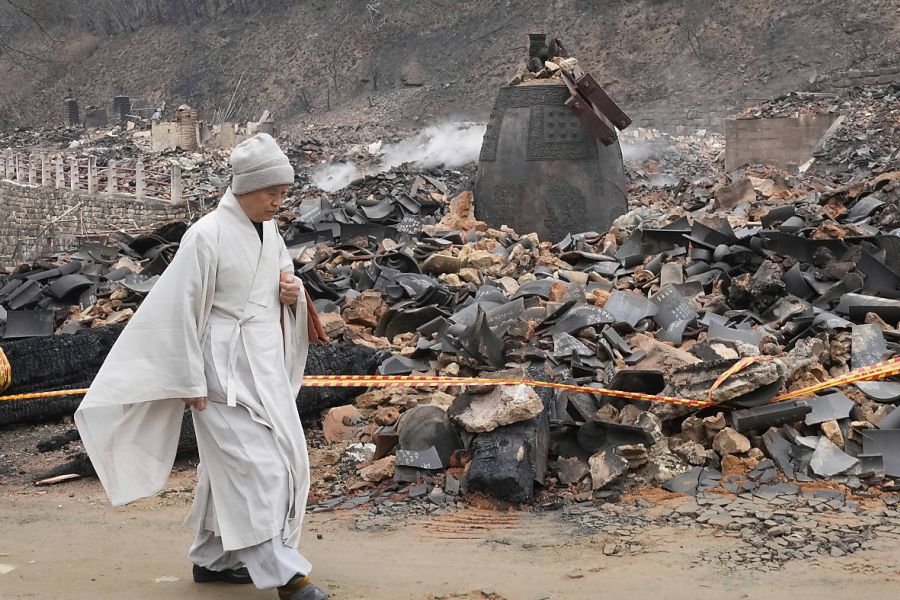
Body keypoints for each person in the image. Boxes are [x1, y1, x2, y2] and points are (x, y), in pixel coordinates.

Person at [75, 133, 330, 600]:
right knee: (258, 468)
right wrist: (187, 377)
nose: (279, 201)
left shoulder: (269, 232)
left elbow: (278, 282)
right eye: (271, 192)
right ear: (245, 188)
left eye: (283, 192)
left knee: (233, 465)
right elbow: (180, 309)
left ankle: (212, 559)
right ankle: (285, 577)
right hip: (219, 370)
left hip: (264, 364)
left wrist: (291, 294)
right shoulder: (206, 235)